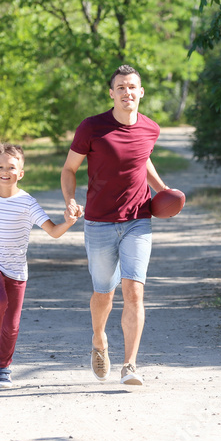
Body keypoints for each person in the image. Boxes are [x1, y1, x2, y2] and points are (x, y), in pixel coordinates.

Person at [61, 64, 175, 386]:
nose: (127, 93)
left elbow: (143, 159)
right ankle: (99, 340)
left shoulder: (150, 129)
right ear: (112, 94)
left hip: (138, 220)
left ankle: (130, 365)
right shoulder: (92, 128)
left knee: (134, 291)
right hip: (98, 223)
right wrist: (69, 200)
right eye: (120, 88)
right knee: (104, 294)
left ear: (141, 92)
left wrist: (163, 190)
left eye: (132, 87)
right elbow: (69, 169)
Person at [0, 143, 77, 388]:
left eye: (12, 167)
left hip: (16, 270)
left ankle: (4, 368)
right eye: (1, 167)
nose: (6, 171)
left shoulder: (28, 203)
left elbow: (54, 232)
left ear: (21, 173)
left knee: (12, 325)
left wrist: (68, 222)